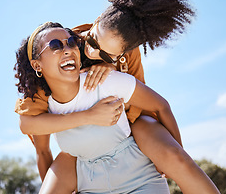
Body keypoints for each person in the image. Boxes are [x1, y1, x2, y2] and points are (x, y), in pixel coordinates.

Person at [15, 0, 220, 194]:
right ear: (95, 23)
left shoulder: (121, 60)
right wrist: (90, 116)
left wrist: (173, 155)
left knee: (175, 158)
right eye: (90, 42)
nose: (92, 52)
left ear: (121, 52)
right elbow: (30, 126)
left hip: (132, 123)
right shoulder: (64, 50)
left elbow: (152, 104)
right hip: (83, 146)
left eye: (105, 54)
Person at [16, 23, 172, 193]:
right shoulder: (39, 99)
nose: (67, 49)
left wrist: (110, 65)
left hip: (135, 156)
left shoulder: (106, 64)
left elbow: (159, 105)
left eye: (71, 42)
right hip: (87, 175)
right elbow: (38, 144)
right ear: (37, 65)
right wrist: (90, 116)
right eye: (55, 45)